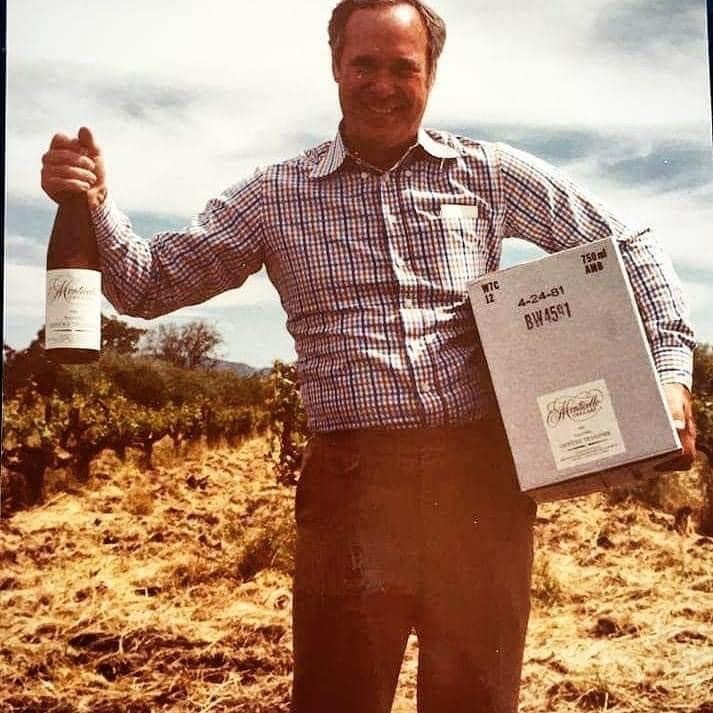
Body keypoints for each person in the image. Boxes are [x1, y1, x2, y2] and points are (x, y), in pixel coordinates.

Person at [41, 1, 696, 710]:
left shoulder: (488, 174)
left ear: (430, 74)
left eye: (401, 67)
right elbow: (147, 284)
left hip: (480, 482)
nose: (382, 84)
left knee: (475, 698)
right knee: (337, 698)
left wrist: (667, 371)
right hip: (350, 488)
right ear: (334, 67)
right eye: (364, 65)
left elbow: (630, 246)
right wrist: (94, 202)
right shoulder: (274, 195)